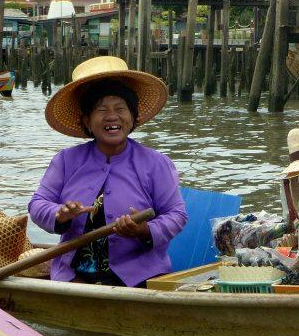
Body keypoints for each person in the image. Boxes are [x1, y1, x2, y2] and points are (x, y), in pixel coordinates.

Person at [28, 56, 187, 286]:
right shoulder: (66, 160)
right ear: (87, 121)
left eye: (120, 109)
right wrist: (60, 214)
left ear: (133, 117)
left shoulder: (156, 163)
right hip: (75, 276)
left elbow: (176, 215)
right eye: (101, 110)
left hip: (141, 277)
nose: (112, 116)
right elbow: (37, 203)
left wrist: (144, 231)